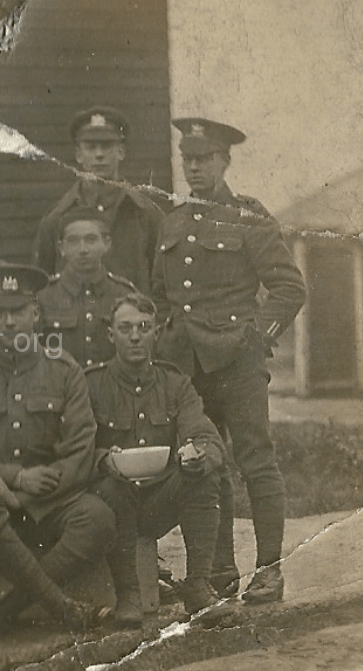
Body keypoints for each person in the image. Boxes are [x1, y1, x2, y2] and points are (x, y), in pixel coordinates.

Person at [151, 118, 307, 604]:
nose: (194, 166)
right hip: (189, 367)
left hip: (237, 363)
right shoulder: (171, 221)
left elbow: (290, 287)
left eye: (204, 158)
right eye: (188, 159)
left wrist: (256, 339)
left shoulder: (248, 217)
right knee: (205, 465)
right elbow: (161, 296)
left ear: (224, 161)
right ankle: (219, 571)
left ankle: (270, 570)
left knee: (256, 461)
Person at [0, 264, 115, 629]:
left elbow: (80, 447)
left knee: (97, 518)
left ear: (35, 313)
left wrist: (28, 494)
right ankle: (62, 606)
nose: (10, 322)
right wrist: (11, 477)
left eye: (18, 312)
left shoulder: (64, 370)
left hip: (50, 499)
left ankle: (7, 609)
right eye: (0, 313)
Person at [87, 293, 233, 623]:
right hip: (111, 504)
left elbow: (205, 434)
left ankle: (198, 587)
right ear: (111, 335)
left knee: (206, 475)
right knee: (110, 488)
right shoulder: (91, 385)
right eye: (125, 328)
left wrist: (198, 454)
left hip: (157, 503)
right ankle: (128, 595)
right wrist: (103, 460)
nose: (135, 336)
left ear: (157, 332)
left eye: (144, 327)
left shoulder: (175, 383)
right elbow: (76, 445)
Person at [33, 106, 162, 293]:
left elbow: (162, 284)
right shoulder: (57, 217)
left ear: (121, 152)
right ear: (79, 155)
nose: (99, 154)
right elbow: (42, 283)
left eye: (107, 146)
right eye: (91, 147)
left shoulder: (146, 214)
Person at [36, 205, 137, 367]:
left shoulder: (124, 294)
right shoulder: (44, 295)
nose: (83, 249)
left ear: (106, 244)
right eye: (73, 241)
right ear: (62, 248)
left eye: (91, 240)